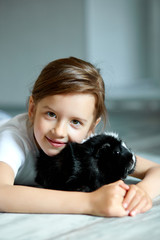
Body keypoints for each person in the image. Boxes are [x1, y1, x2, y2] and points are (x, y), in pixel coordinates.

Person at [0, 57, 160, 217]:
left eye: (75, 122)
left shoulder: (86, 143)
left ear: (91, 128)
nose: (60, 131)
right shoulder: (12, 139)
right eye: (51, 114)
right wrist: (90, 202)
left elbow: (156, 169)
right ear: (32, 109)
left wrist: (141, 191)